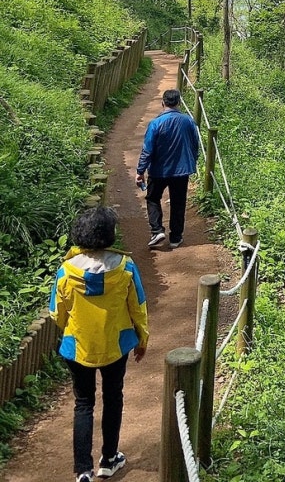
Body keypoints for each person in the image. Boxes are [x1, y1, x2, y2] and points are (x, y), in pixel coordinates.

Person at [50, 206, 148, 482]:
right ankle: (109, 459)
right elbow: (138, 306)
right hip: (115, 346)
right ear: (109, 235)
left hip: (77, 346)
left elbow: (58, 312)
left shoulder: (67, 270)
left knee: (83, 403)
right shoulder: (126, 267)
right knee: (113, 398)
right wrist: (142, 338)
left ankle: (83, 469)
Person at [136, 88, 200, 249]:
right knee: (178, 202)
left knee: (152, 198)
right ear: (178, 103)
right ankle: (176, 237)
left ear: (163, 103)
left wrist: (140, 171)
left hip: (159, 170)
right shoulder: (189, 121)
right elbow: (195, 145)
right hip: (182, 170)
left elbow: (147, 150)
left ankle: (157, 230)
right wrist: (192, 162)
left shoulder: (156, 123)